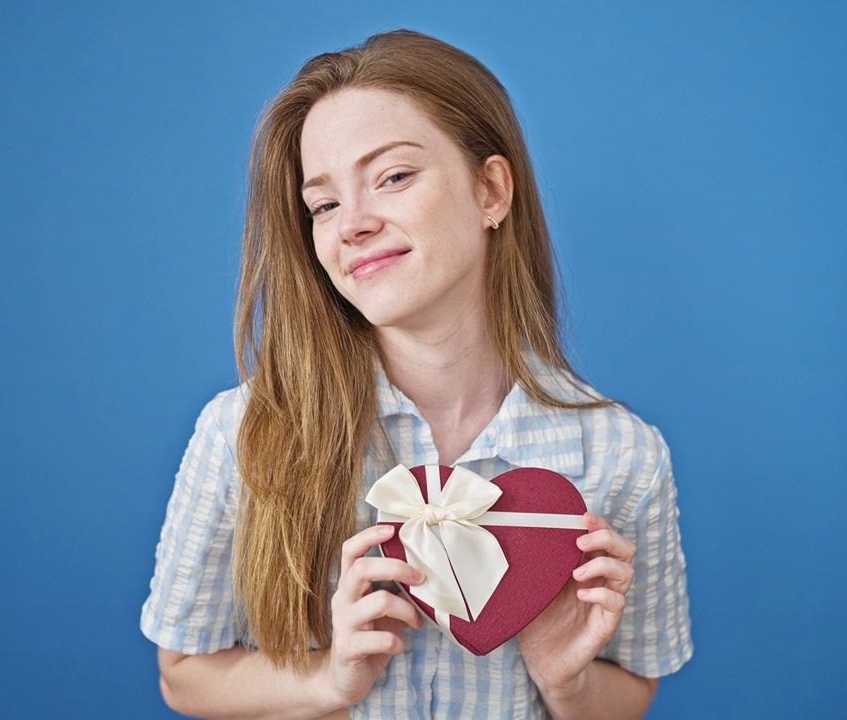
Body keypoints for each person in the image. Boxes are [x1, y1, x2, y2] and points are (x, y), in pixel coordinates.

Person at [141, 29, 692, 719]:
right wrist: (329, 682)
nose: (352, 226)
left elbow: (634, 687)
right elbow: (184, 673)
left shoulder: (622, 455)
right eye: (324, 204)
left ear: (490, 189)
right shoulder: (241, 433)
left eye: (393, 177)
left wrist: (566, 681)